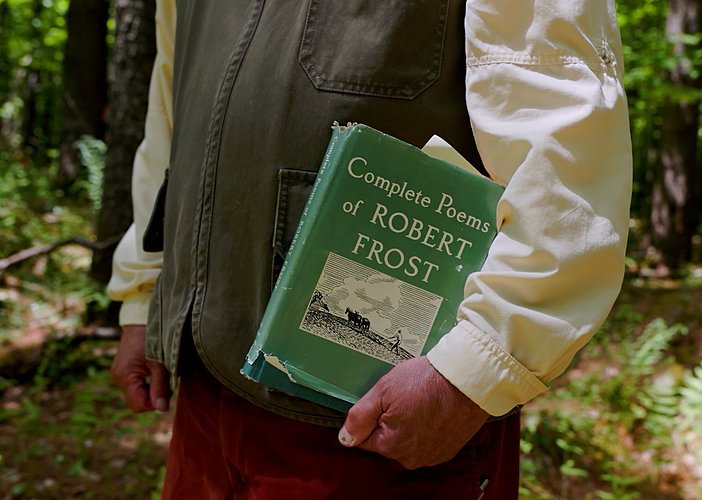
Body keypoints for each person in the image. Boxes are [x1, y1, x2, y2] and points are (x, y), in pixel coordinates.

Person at [108, 0, 632, 498]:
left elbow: (565, 136)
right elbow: (175, 109)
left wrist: (474, 369)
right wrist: (145, 292)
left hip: (382, 418)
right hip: (205, 383)